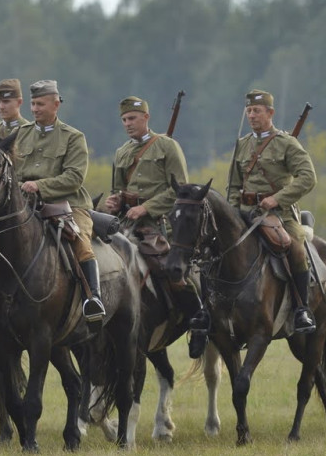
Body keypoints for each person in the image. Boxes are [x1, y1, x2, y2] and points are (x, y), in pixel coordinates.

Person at [100, 96, 208, 357]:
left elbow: (182, 191)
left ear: (146, 118)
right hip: (126, 222)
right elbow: (118, 188)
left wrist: (147, 207)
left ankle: (198, 322)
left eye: (133, 118)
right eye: (124, 119)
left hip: (160, 224)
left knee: (171, 270)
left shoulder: (168, 147)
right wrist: (115, 201)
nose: (128, 123)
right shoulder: (122, 152)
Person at [11, 80, 105, 328]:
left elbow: (74, 177)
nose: (34, 109)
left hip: (69, 204)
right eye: (32, 104)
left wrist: (40, 185)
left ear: (56, 104)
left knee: (81, 242)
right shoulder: (20, 135)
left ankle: (93, 298)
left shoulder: (73, 137)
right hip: (25, 205)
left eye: (40, 104)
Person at [227, 88, 318, 333]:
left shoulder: (286, 144)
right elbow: (233, 185)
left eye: (257, 111)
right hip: (244, 213)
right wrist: (232, 213)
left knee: (296, 248)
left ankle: (302, 310)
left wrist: (277, 199)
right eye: (248, 111)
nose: (252, 115)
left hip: (279, 215)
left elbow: (308, 177)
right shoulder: (243, 145)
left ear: (270, 113)